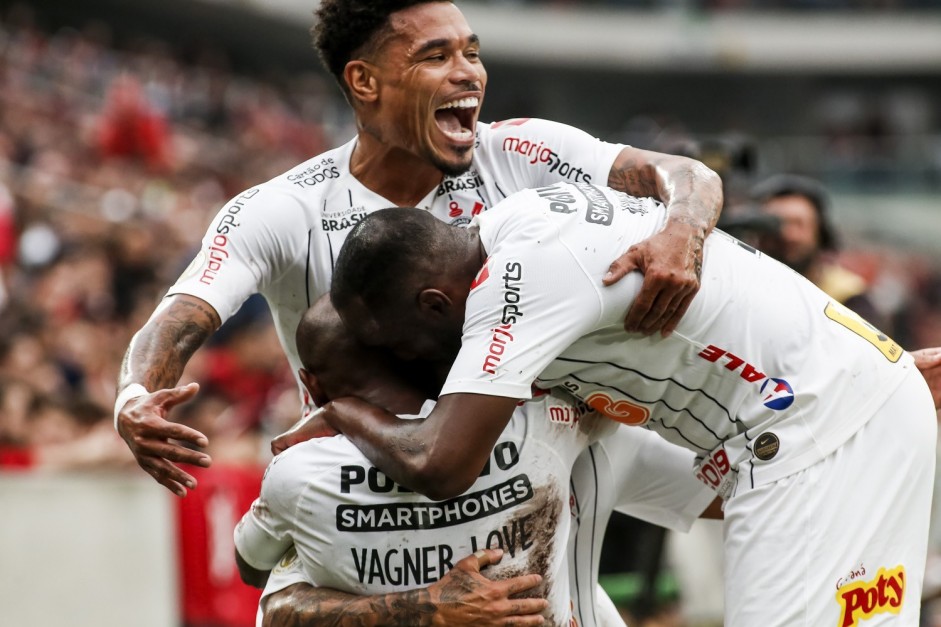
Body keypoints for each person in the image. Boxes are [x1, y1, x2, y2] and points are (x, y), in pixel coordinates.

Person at [113, 0, 726, 498]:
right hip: (374, 489)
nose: (468, 73)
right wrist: (136, 397)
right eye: (436, 56)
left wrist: (682, 231)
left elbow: (683, 174)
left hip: (548, 461)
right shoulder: (283, 208)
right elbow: (182, 315)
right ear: (364, 80)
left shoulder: (520, 150)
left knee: (751, 491)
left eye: (472, 52)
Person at [324, 181, 937, 626]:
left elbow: (442, 464)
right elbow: (690, 177)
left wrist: (341, 410)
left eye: (399, 345)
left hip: (818, 425)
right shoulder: (526, 213)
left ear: (433, 304)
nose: (414, 363)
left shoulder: (512, 282)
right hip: (838, 404)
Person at [234, 296, 717, 626]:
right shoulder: (537, 418)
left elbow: (257, 574)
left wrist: (420, 604)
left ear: (312, 385)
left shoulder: (296, 471)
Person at [750, 173, 885, 329]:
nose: (788, 235)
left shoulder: (848, 298)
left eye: (799, 224)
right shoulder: (744, 289)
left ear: (820, 232)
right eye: (777, 225)